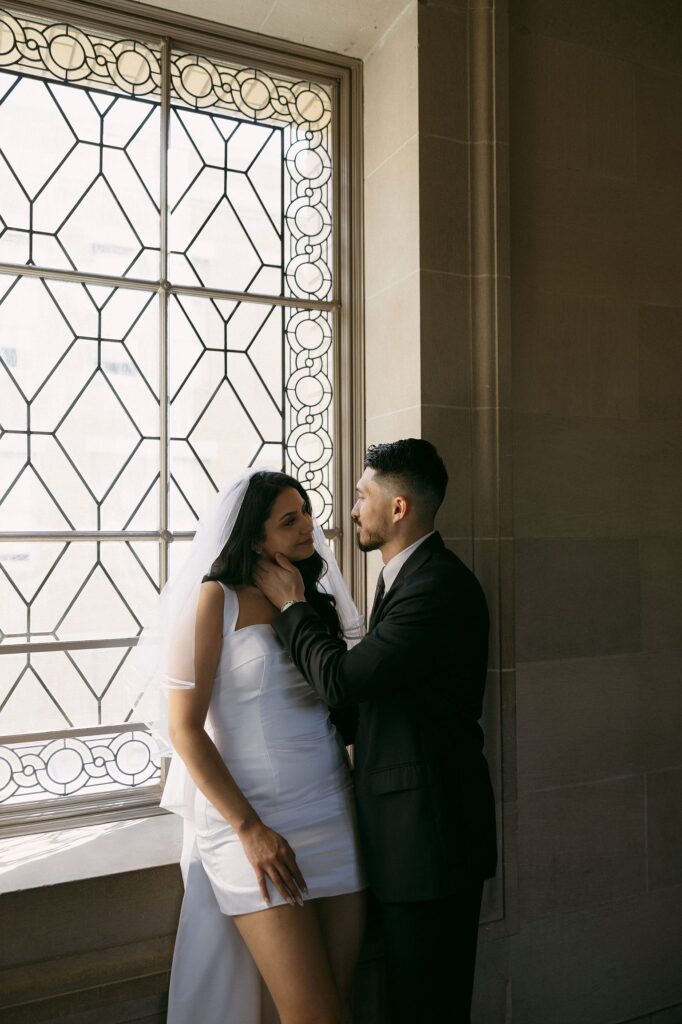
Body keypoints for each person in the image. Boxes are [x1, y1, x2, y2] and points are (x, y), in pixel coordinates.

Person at [255, 439, 498, 1024]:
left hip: (431, 840)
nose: (351, 511)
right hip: (406, 838)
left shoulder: (435, 588)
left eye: (362, 496)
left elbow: (341, 683)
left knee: (427, 1007)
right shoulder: (403, 580)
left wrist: (291, 607)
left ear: (398, 509)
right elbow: (375, 705)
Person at [128, 469, 367, 1024]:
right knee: (315, 1015)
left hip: (332, 810)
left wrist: (295, 605)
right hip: (254, 822)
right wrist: (250, 830)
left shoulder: (311, 596)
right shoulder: (216, 600)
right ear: (254, 537)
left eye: (306, 511)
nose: (308, 525)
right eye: (289, 520)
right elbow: (185, 729)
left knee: (338, 1001)